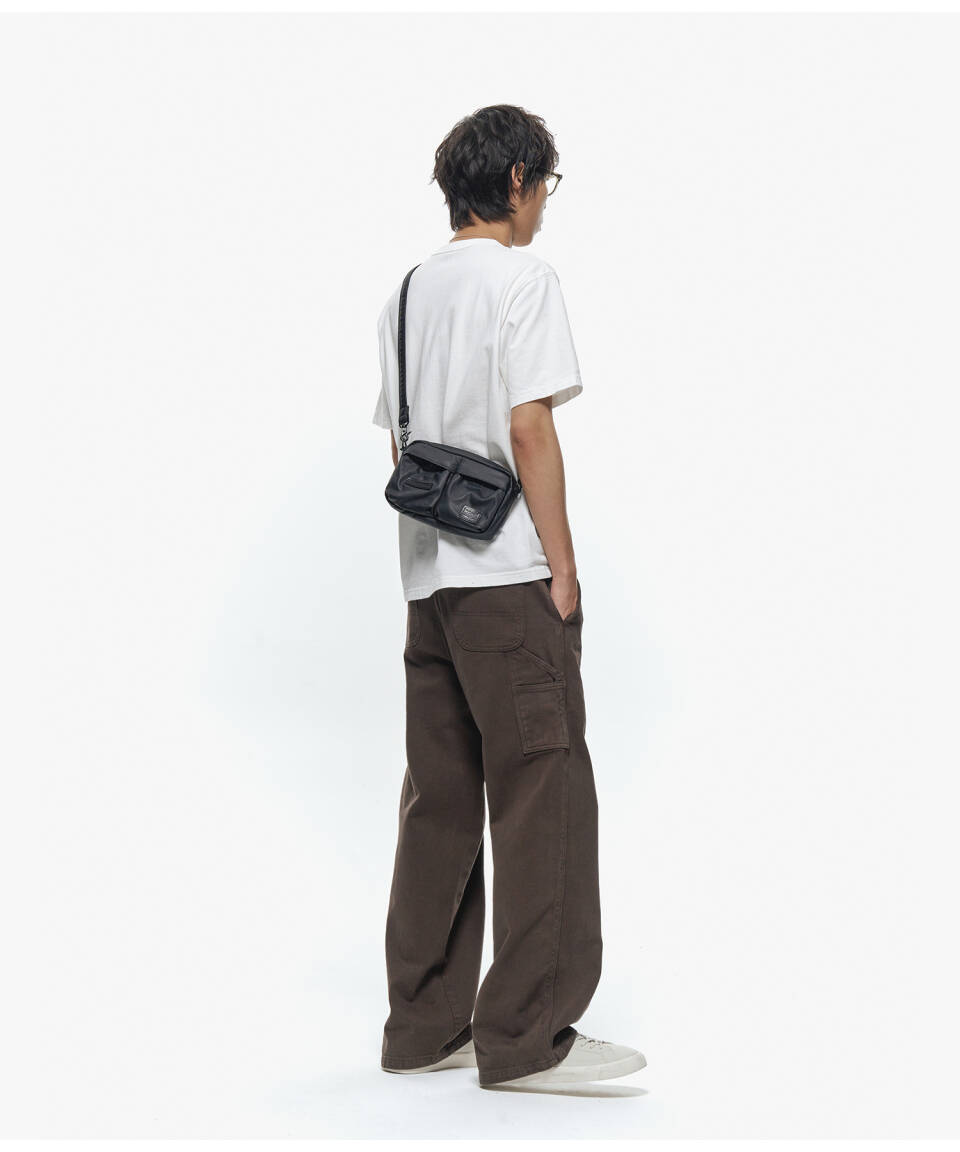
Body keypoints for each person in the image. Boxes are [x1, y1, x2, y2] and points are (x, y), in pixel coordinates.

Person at [372, 104, 645, 1089]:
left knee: (439, 800)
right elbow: (529, 428)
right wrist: (560, 567)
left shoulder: (406, 292)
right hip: (507, 579)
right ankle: (529, 1038)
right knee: (543, 792)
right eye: (546, 186)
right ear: (519, 179)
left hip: (430, 584)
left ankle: (423, 1027)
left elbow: (401, 445)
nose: (544, 207)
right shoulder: (523, 280)